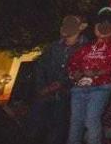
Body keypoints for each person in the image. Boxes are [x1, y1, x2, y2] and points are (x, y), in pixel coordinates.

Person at [66, 9, 111, 144]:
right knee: (75, 120)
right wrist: (74, 74)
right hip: (79, 88)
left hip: (100, 88)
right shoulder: (86, 47)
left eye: (110, 23)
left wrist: (98, 72)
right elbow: (73, 63)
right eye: (101, 22)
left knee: (91, 119)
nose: (104, 26)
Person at [28, 14, 88, 144]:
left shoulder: (87, 48)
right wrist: (42, 88)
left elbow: (82, 72)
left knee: (59, 130)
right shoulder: (53, 47)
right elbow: (40, 66)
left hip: (68, 97)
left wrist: (59, 84)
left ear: (82, 26)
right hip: (46, 95)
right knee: (35, 129)